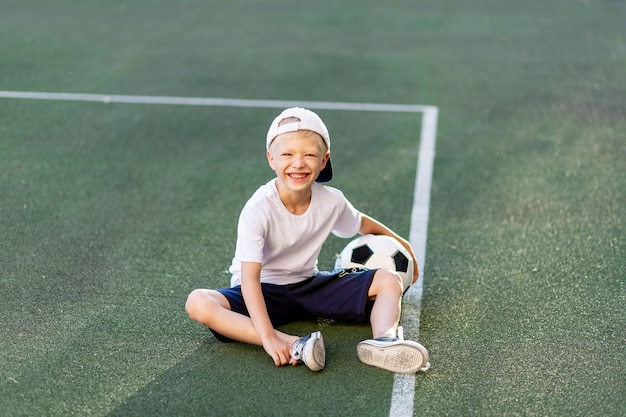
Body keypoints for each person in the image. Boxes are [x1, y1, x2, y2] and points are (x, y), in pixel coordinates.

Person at [185, 107, 429, 373]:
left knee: (388, 279)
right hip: (264, 293)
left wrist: (403, 245)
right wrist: (267, 337)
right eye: (287, 154)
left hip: (308, 286)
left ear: (324, 161)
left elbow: (362, 223)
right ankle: (296, 344)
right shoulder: (258, 209)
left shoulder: (331, 200)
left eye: (309, 155)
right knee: (198, 302)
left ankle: (385, 340)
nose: (298, 163)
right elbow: (250, 279)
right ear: (271, 159)